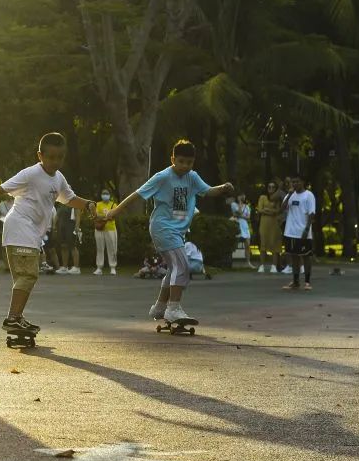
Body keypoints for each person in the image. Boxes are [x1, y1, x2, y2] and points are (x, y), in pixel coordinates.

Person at [0, 132, 98, 334]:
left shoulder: (59, 179)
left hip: (30, 234)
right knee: (28, 275)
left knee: (24, 277)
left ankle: (17, 317)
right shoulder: (30, 174)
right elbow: (1, 189)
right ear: (40, 156)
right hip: (19, 227)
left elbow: (69, 199)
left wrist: (88, 204)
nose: (56, 162)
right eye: (51, 157)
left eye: (60, 157)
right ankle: (12, 318)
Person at [103, 139, 234, 324]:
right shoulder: (162, 177)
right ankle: (173, 308)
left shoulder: (192, 177)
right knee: (182, 266)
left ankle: (159, 307)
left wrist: (222, 188)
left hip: (177, 231)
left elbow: (207, 191)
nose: (185, 166)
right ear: (173, 159)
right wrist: (115, 211)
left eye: (189, 163)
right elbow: (138, 194)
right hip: (162, 227)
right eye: (181, 161)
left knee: (174, 268)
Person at [281, 175, 316, 291]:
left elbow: (311, 213)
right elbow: (282, 208)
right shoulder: (290, 195)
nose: (294, 184)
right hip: (290, 232)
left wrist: (307, 229)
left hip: (303, 232)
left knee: (306, 256)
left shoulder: (308, 195)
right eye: (293, 182)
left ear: (303, 182)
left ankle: (307, 281)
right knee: (294, 256)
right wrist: (289, 194)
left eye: (297, 182)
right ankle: (296, 282)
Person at [256, 181, 282, 273]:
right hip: (264, 223)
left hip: (274, 223)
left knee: (275, 243)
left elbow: (278, 211)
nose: (271, 189)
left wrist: (267, 210)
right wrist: (270, 211)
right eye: (269, 187)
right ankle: (262, 265)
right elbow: (260, 209)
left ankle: (274, 266)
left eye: (273, 187)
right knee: (263, 243)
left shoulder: (277, 199)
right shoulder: (262, 197)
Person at [93, 188, 118, 275]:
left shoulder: (113, 205)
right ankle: (99, 267)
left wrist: (103, 216)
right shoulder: (98, 204)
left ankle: (113, 267)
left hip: (111, 229)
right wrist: (107, 216)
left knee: (112, 248)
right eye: (103, 193)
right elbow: (96, 216)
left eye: (106, 193)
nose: (105, 195)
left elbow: (114, 216)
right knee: (100, 248)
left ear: (109, 195)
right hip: (99, 229)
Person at [54, 202, 82, 274]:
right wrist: (54, 225)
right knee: (63, 246)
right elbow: (57, 215)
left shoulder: (75, 203)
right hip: (61, 226)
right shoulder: (61, 204)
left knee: (73, 246)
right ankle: (64, 267)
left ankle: (76, 268)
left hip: (71, 226)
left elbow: (78, 215)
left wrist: (77, 226)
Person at [230, 192, 252, 268]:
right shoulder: (233, 204)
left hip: (245, 226)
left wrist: (240, 215)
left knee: (248, 244)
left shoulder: (247, 206)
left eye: (243, 195)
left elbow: (248, 217)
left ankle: (248, 262)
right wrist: (239, 202)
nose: (243, 197)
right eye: (241, 195)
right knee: (234, 244)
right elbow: (238, 212)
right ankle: (230, 262)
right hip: (237, 225)